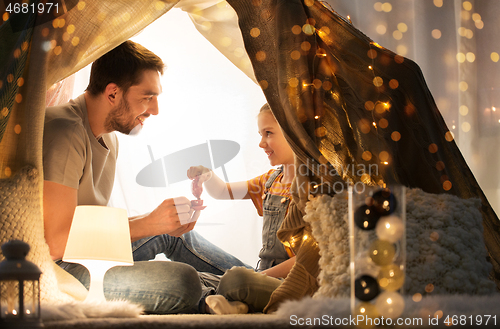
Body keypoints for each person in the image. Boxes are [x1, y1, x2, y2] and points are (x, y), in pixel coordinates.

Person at [42, 40, 248, 313]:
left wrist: (159, 222)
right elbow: (56, 244)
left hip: (84, 254)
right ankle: (222, 294)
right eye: (147, 97)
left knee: (175, 236)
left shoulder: (107, 138)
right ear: (113, 93)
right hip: (58, 271)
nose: (155, 110)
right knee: (183, 281)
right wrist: (149, 224)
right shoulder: (64, 131)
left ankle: (263, 282)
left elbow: (87, 229)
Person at [187, 103, 296, 314]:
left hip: (292, 283)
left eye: (269, 133)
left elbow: (308, 259)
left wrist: (259, 278)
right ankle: (229, 302)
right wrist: (207, 174)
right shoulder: (271, 180)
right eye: (260, 134)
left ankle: (228, 294)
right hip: (260, 275)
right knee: (189, 277)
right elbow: (222, 191)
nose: (261, 143)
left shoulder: (317, 187)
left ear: (294, 133)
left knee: (236, 279)